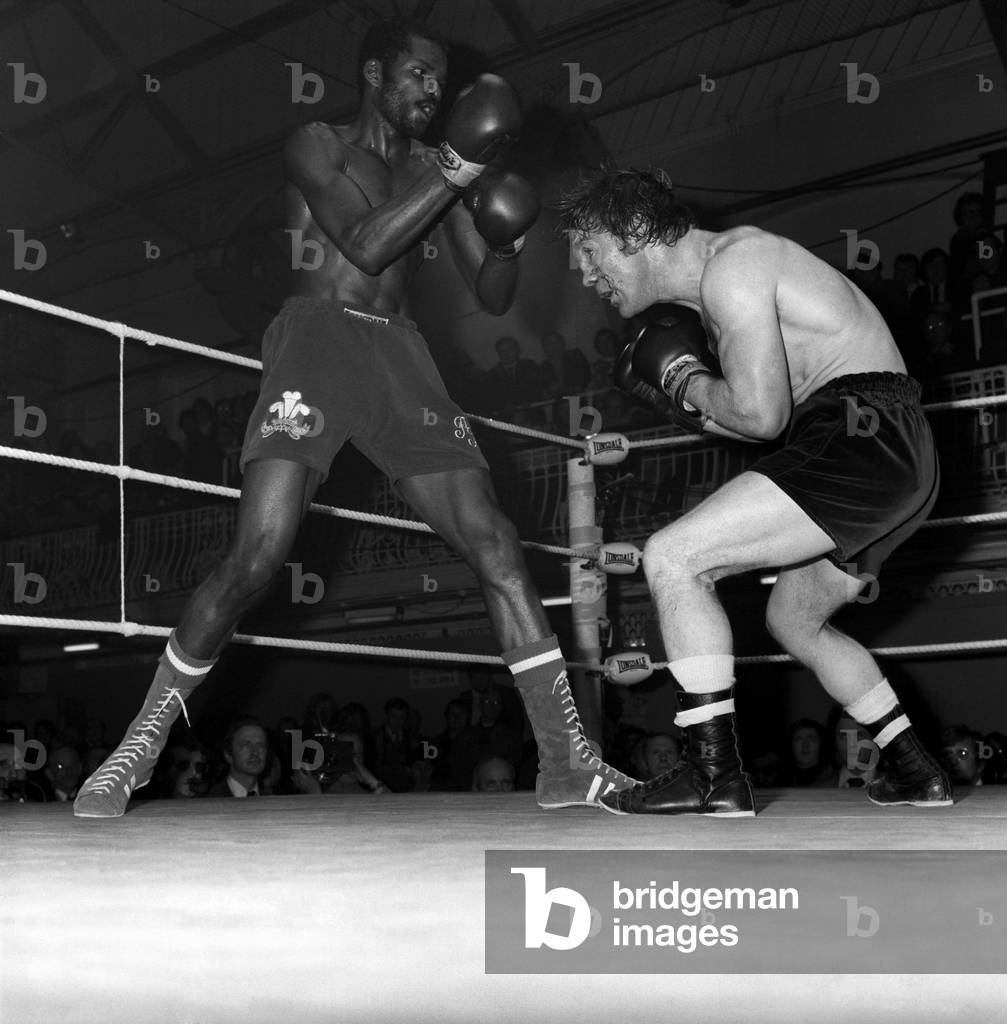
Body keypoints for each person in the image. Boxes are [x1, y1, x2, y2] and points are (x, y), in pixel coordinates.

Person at [74, 18, 635, 819]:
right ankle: (138, 746)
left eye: (439, 85)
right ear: (375, 74)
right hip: (317, 338)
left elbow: (494, 295)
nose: (430, 94)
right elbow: (367, 246)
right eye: (417, 76)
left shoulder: (434, 168)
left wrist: (505, 233)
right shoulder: (317, 142)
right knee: (259, 554)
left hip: (400, 355)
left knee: (496, 543)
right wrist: (453, 171)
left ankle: (564, 763)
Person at [559, 167, 952, 816]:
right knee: (793, 620)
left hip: (861, 436)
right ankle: (913, 768)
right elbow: (754, 419)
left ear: (632, 231)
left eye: (587, 248)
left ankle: (712, 773)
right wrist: (684, 396)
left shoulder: (732, 269)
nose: (581, 271)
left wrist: (681, 379)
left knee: (673, 558)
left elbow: (761, 416)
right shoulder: (724, 283)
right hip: (886, 445)